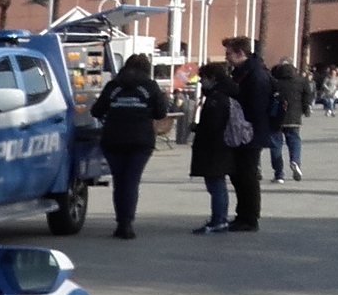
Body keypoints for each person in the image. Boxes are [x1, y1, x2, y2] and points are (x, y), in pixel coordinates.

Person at [90, 53, 169, 240]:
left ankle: (121, 222)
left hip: (113, 139)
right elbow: (160, 113)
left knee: (119, 181)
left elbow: (96, 110)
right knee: (132, 181)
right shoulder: (150, 87)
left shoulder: (113, 86)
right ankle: (127, 224)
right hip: (141, 141)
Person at [221, 37, 270, 231]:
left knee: (247, 175)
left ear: (241, 53)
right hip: (242, 130)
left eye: (229, 53)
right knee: (239, 175)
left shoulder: (255, 74)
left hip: (249, 132)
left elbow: (256, 106)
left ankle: (250, 218)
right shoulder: (244, 72)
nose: (227, 57)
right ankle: (243, 214)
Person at [188, 61, 240, 233]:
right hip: (220, 146)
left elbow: (213, 125)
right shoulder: (223, 94)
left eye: (203, 78)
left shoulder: (217, 98)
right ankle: (219, 218)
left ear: (212, 78)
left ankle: (219, 219)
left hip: (214, 147)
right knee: (217, 184)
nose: (201, 82)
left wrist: (198, 128)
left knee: (216, 184)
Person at [268, 59, 312, 183]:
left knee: (276, 146)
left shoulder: (275, 82)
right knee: (294, 141)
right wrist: (305, 108)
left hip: (276, 118)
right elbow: (307, 95)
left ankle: (279, 174)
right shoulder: (301, 81)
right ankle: (295, 161)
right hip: (294, 117)